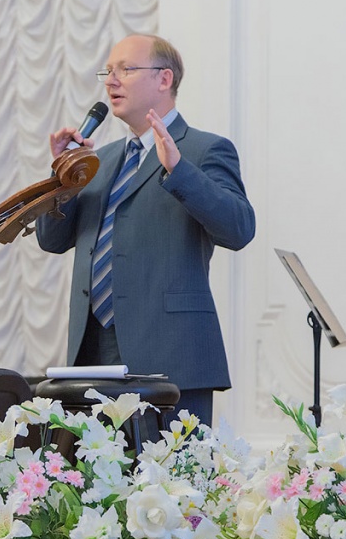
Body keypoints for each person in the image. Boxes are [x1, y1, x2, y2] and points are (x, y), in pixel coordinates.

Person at [36, 34, 255, 424]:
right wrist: (62, 182)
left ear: (164, 79)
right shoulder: (98, 162)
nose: (111, 80)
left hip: (171, 361)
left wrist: (179, 170)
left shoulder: (204, 149)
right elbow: (51, 241)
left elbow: (238, 229)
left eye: (126, 69)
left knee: (170, 483)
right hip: (91, 358)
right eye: (109, 71)